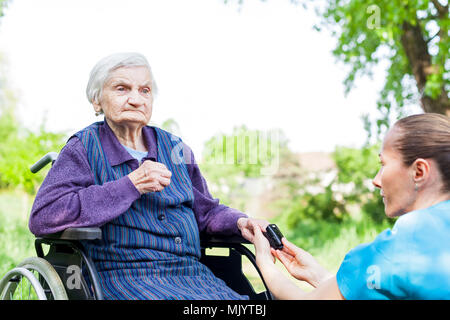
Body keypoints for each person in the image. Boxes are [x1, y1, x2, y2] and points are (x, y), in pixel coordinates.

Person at [28, 52, 268, 300]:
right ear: (96, 101)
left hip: (193, 276)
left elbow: (206, 212)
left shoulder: (175, 148)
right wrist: (130, 185)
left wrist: (240, 223)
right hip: (122, 278)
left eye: (145, 90)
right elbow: (44, 215)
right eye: (122, 89)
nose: (136, 99)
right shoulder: (83, 148)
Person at [250, 113, 450, 299]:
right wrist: (318, 275)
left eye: (383, 164)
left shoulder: (399, 247)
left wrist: (265, 264)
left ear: (419, 172)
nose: (376, 180)